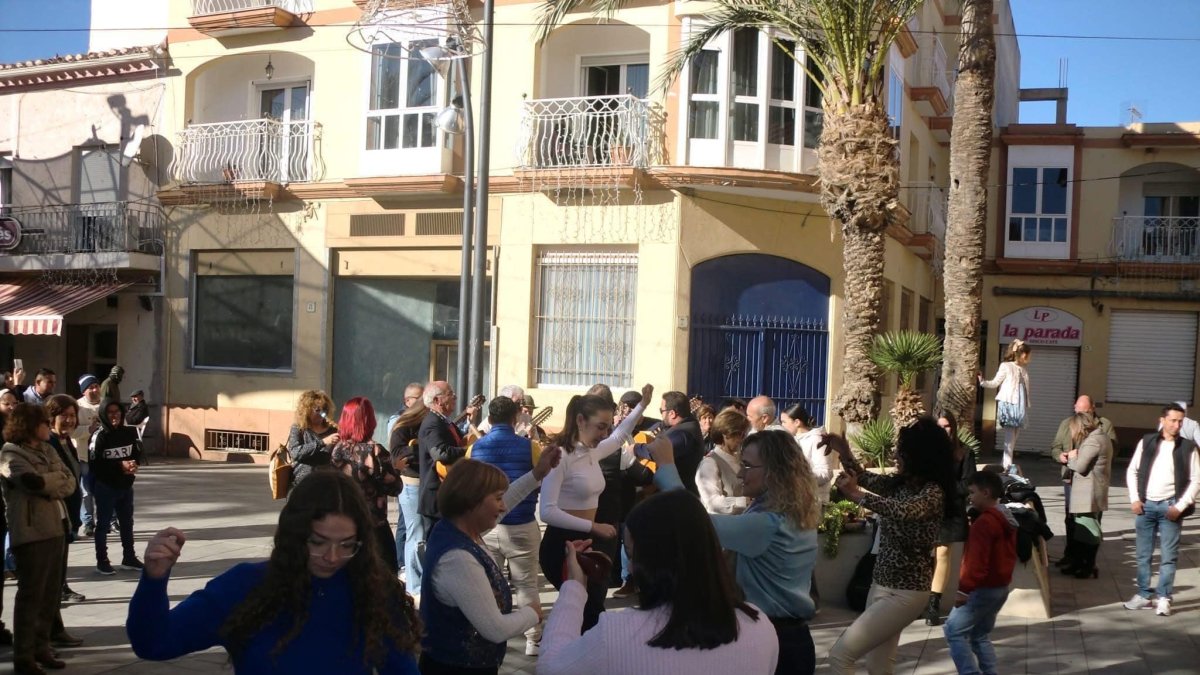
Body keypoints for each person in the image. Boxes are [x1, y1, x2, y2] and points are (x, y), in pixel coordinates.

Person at [127, 470, 421, 673]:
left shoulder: (374, 592)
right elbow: (154, 643)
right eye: (317, 542)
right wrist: (154, 579)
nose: (332, 557)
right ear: (295, 533)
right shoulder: (245, 587)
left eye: (347, 545)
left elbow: (403, 670)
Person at [538, 489, 780, 674]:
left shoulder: (614, 634)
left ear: (656, 560)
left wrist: (574, 588)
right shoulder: (760, 627)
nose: (631, 567)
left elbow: (551, 666)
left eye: (633, 556)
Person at [649, 429, 820, 675]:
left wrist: (666, 465)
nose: (740, 473)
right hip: (789, 637)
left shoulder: (768, 523)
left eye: (748, 466)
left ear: (774, 472)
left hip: (777, 639)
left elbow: (695, 521)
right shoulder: (788, 512)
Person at [827, 418, 955, 674]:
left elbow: (903, 511)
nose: (896, 454)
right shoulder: (901, 485)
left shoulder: (932, 493)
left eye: (902, 451)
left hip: (905, 593)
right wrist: (844, 452)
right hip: (881, 585)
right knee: (879, 665)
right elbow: (863, 477)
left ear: (920, 456)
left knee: (840, 657)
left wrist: (856, 495)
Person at [420, 452, 562, 674]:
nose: (503, 506)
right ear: (471, 501)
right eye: (497, 498)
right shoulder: (457, 558)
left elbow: (509, 500)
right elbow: (495, 629)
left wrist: (537, 475)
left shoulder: (458, 528)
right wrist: (533, 613)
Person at [539, 385, 651, 631]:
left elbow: (620, 436)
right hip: (562, 545)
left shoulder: (592, 452)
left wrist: (643, 404)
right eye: (601, 426)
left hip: (586, 542)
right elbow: (546, 512)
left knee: (588, 612)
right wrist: (594, 526)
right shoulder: (561, 456)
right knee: (587, 613)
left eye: (608, 426)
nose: (605, 432)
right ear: (580, 420)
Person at [0, 403, 76, 674]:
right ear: (30, 426)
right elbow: (32, 482)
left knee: (50, 594)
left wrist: (50, 482)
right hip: (31, 532)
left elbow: (70, 481)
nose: (49, 426)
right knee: (31, 595)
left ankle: (42, 647)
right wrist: (51, 482)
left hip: (56, 527)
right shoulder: (10, 453)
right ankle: (24, 656)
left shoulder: (48, 448)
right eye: (44, 422)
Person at [469, 397, 545, 657]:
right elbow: (542, 478)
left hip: (486, 528)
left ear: (489, 419)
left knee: (489, 585)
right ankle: (533, 640)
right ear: (515, 419)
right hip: (522, 524)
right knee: (526, 585)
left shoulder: (476, 447)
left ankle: (490, 633)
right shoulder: (530, 447)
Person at [1123, 403, 1199, 616]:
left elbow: (1196, 480)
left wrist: (1180, 505)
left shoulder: (1188, 447)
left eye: (1180, 421)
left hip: (1170, 508)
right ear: (1162, 420)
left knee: (1168, 556)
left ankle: (1164, 597)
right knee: (1143, 554)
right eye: (1173, 420)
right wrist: (1135, 499)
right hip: (1145, 507)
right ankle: (1144, 595)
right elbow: (1132, 471)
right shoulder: (1147, 442)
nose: (1177, 425)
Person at [942, 470, 1017, 675]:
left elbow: (976, 562)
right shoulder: (1004, 515)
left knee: (953, 631)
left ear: (985, 492)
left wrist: (963, 591)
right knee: (979, 635)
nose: (970, 497)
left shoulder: (984, 523)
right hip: (999, 587)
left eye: (972, 492)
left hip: (982, 589)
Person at [330, 397, 402, 573]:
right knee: (381, 574)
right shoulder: (375, 451)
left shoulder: (338, 449)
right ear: (370, 420)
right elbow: (395, 488)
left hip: (344, 521)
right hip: (373, 525)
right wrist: (397, 469)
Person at [1049, 395, 1116, 571]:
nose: (1080, 414)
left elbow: (1107, 453)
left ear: (1092, 409)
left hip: (1089, 483)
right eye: (1078, 410)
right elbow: (1055, 447)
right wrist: (1060, 456)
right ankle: (1072, 557)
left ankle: (1086, 563)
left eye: (1084, 411)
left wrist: (1075, 458)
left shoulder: (1103, 428)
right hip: (1070, 478)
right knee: (1072, 520)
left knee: (1089, 522)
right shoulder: (1067, 423)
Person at [923, 411, 976, 626]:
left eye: (947, 426)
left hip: (950, 511)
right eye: (940, 426)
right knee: (925, 555)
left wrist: (945, 490)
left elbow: (968, 484)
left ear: (953, 428)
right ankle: (919, 598)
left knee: (942, 553)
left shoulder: (964, 453)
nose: (944, 430)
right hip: (926, 509)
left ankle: (933, 603)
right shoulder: (926, 452)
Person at [89, 399, 144, 576]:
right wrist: (119, 466)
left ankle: (129, 557)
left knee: (127, 522)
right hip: (106, 487)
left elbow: (136, 454)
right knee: (103, 524)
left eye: (117, 412)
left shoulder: (129, 432)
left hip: (126, 486)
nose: (115, 416)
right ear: (104, 415)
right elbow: (95, 465)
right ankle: (102, 560)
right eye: (110, 412)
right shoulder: (99, 436)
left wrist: (134, 465)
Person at [44, 395, 87, 607]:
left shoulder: (65, 440)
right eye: (64, 416)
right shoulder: (48, 442)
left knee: (62, 553)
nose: (70, 420)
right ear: (52, 417)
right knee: (53, 557)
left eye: (73, 416)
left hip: (69, 509)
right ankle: (56, 591)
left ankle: (61, 587)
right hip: (55, 511)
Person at [417, 381, 478, 530]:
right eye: (450, 394)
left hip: (447, 493)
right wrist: (469, 450)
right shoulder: (432, 423)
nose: (455, 397)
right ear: (437, 400)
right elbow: (441, 453)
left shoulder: (443, 421)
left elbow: (459, 441)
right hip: (436, 497)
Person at [1061, 412, 1113, 579]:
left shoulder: (1093, 441)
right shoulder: (1101, 436)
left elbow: (1081, 466)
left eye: (1073, 429)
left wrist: (1071, 458)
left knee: (1089, 532)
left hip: (1089, 492)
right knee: (1080, 531)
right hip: (1092, 490)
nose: (1073, 433)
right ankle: (1078, 563)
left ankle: (1088, 566)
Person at [389, 382, 425, 587]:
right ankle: (414, 585)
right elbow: (397, 455)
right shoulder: (402, 424)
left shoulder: (428, 422)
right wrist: (423, 449)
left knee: (419, 533)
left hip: (425, 483)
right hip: (411, 483)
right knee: (415, 532)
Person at [978, 339, 1032, 470]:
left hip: (1019, 405)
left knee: (1014, 435)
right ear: (1023, 354)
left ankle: (1006, 462)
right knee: (1009, 435)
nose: (1029, 357)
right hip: (1009, 403)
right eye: (1028, 354)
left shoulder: (1022, 369)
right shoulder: (1006, 366)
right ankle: (1007, 464)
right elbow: (996, 382)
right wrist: (982, 382)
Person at [696, 408, 751, 515]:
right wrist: (745, 502)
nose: (743, 439)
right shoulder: (709, 463)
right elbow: (712, 503)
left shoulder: (740, 459)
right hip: (720, 527)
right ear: (726, 434)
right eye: (740, 435)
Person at [780, 404, 838, 505]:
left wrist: (799, 478)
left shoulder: (817, 439)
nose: (782, 426)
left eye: (784, 422)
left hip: (813, 502)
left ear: (797, 422)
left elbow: (825, 473)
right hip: (794, 501)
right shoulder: (792, 440)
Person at [652, 391, 705, 495]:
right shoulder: (685, 426)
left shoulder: (683, 434)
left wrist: (635, 448)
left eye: (661, 411)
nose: (661, 415)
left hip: (678, 495)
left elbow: (659, 450)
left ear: (672, 414)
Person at [286, 390, 339, 487]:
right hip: (301, 484)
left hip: (326, 484)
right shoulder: (299, 428)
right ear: (307, 410)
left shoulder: (333, 430)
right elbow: (294, 452)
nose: (322, 414)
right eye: (318, 410)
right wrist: (322, 442)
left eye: (325, 410)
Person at [73, 375, 101, 537]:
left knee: (104, 489)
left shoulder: (107, 404)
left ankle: (109, 519)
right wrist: (88, 430)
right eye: (91, 387)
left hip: (103, 457)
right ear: (84, 391)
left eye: (97, 386)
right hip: (84, 456)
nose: (95, 390)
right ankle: (88, 521)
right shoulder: (76, 407)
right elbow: (71, 431)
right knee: (86, 491)